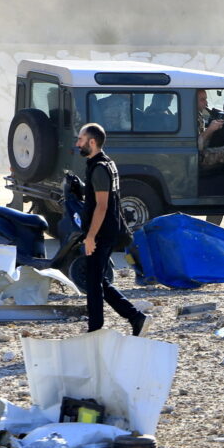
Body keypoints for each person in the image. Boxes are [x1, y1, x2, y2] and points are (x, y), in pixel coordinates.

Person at [75, 124, 147, 335]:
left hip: (101, 233)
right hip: (106, 230)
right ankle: (135, 317)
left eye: (80, 139)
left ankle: (95, 330)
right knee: (97, 279)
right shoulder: (105, 164)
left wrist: (90, 236)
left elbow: (102, 205)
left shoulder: (99, 168)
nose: (77, 143)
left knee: (94, 285)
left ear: (92, 142)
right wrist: (79, 188)